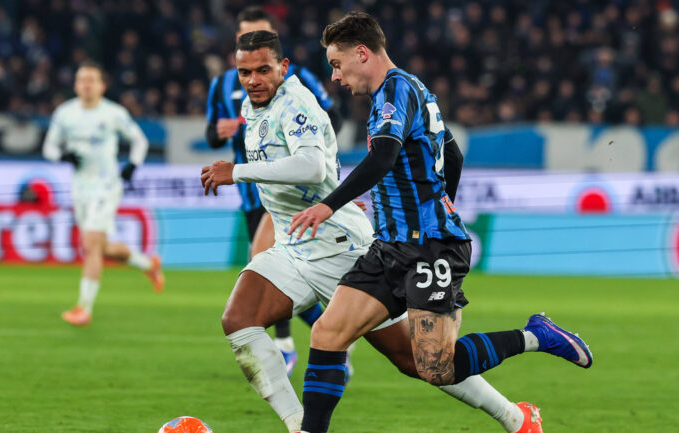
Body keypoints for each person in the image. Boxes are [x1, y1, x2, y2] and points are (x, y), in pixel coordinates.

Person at [202, 30, 544, 433]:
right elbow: (450, 154)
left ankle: (516, 417)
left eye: (262, 70)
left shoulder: (298, 104)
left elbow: (314, 165)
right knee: (239, 319)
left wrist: (238, 172)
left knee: (420, 361)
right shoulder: (252, 105)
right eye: (244, 72)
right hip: (294, 246)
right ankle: (299, 427)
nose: (253, 80)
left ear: (283, 67)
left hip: (338, 246)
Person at [288, 12, 593, 433]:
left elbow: (383, 157)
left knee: (436, 366)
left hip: (430, 249)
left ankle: (535, 335)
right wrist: (434, 200)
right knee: (327, 333)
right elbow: (453, 156)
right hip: (391, 246)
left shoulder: (394, 92)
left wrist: (329, 205)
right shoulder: (415, 90)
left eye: (337, 64)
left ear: (362, 53)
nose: (336, 77)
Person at [205, 6, 342, 374]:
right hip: (256, 195)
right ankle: (329, 333)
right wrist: (217, 134)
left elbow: (333, 121)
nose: (253, 74)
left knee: (265, 266)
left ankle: (289, 345)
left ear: (279, 57)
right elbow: (211, 133)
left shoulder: (299, 88)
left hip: (291, 193)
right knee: (285, 274)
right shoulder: (223, 85)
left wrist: (327, 165)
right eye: (243, 41)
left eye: (260, 37)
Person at [43, 61, 164, 327]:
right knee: (99, 247)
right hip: (80, 188)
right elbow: (49, 147)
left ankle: (83, 308)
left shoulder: (113, 113)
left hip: (107, 186)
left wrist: (133, 165)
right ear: (75, 85)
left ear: (102, 85)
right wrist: (62, 156)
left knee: (91, 244)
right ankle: (148, 265)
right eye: (81, 80)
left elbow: (139, 140)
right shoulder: (65, 113)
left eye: (91, 80)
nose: (86, 85)